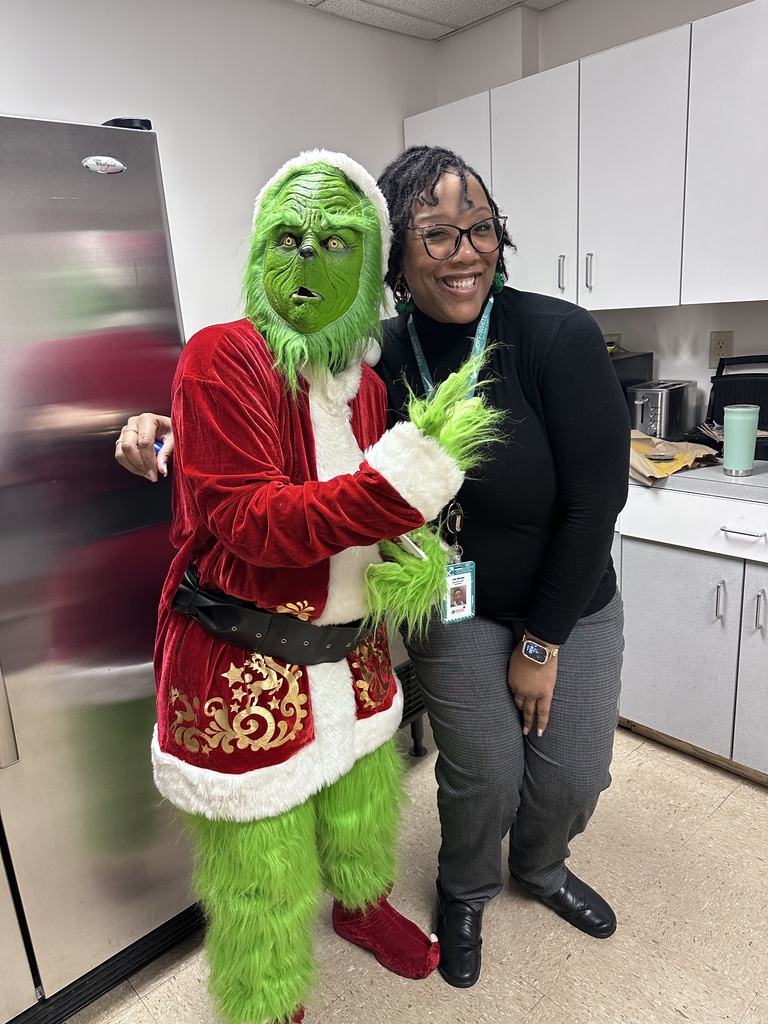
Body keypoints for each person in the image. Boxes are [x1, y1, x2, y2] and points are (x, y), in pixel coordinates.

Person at [117, 144, 630, 992]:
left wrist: (543, 643)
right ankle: (463, 893)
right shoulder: (376, 353)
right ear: (394, 257)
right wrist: (165, 424)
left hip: (558, 601)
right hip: (416, 616)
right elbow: (260, 396)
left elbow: (595, 501)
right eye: (436, 235)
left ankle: (538, 868)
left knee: (569, 771)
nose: (464, 252)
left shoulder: (553, 335)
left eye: (480, 228)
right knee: (473, 775)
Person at [133, 148, 500, 1024]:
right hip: (241, 660)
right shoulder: (220, 359)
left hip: (355, 657)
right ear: (259, 250)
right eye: (286, 238)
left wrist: (415, 551)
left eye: (335, 243)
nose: (305, 263)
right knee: (258, 867)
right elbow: (249, 520)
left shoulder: (369, 388)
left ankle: (364, 908)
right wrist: (393, 491)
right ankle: (264, 1003)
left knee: (365, 808)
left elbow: (365, 525)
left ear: (372, 265)